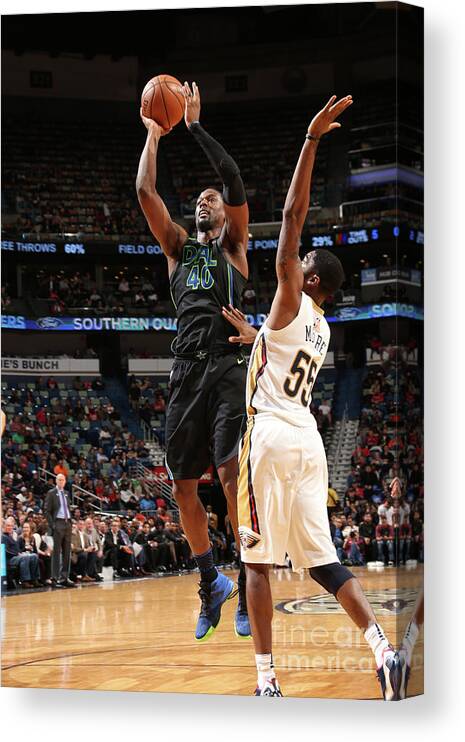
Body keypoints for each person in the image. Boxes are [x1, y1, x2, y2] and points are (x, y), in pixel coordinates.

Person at [236, 95, 402, 700]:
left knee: (255, 562)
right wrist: (257, 341)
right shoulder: (322, 324)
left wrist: (309, 142)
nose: (294, 259)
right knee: (322, 562)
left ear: (308, 279)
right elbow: (283, 355)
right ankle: (382, 647)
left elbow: (289, 216)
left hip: (272, 435)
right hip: (308, 442)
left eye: (301, 262)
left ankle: (267, 681)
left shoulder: (289, 292)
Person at [136, 80, 255, 641]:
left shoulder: (234, 248)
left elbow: (232, 178)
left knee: (230, 474)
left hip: (229, 366)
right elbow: (144, 191)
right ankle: (211, 582)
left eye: (212, 199)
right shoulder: (180, 248)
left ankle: (247, 582)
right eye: (201, 198)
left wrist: (194, 128)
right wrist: (155, 134)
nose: (207, 199)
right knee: (183, 486)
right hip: (185, 370)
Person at [44, 473, 76, 587]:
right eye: (59, 480)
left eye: (63, 480)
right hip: (58, 523)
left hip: (67, 523)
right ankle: (54, 578)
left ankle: (64, 578)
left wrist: (71, 522)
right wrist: (53, 525)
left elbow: (67, 509)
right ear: (56, 481)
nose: (61, 482)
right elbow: (46, 510)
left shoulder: (67, 493)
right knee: (57, 552)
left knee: (67, 552)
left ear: (65, 481)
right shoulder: (51, 493)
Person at [3, 520, 40, 588]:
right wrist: (17, 553)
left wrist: (20, 553)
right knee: (25, 557)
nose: (10, 527)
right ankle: (25, 581)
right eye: (8, 526)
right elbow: (5, 550)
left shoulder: (11, 536)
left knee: (34, 556)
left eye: (11, 526)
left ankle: (34, 579)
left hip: (16, 556)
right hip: (9, 559)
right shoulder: (3, 537)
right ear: (4, 526)